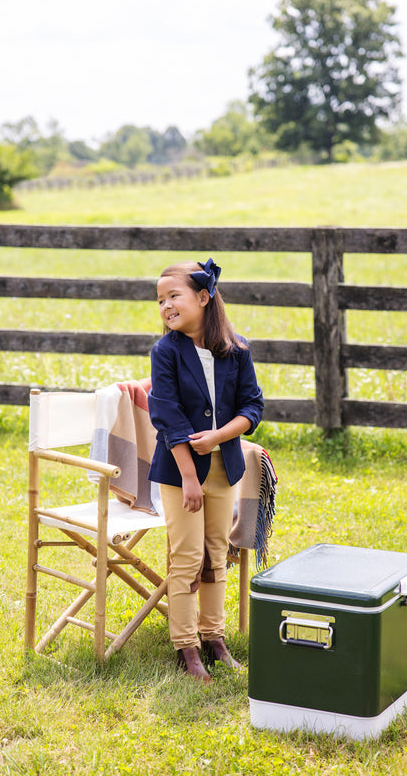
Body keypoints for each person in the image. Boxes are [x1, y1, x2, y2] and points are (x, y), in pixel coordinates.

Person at [147, 257, 264, 683]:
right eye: (160, 300)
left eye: (173, 296)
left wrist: (218, 438)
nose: (165, 306)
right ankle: (186, 647)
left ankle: (214, 638)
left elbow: (253, 406)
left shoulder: (236, 350)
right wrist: (191, 478)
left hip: (225, 467)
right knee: (187, 557)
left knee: (217, 554)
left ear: (204, 296)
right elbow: (168, 417)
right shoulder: (166, 352)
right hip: (181, 473)